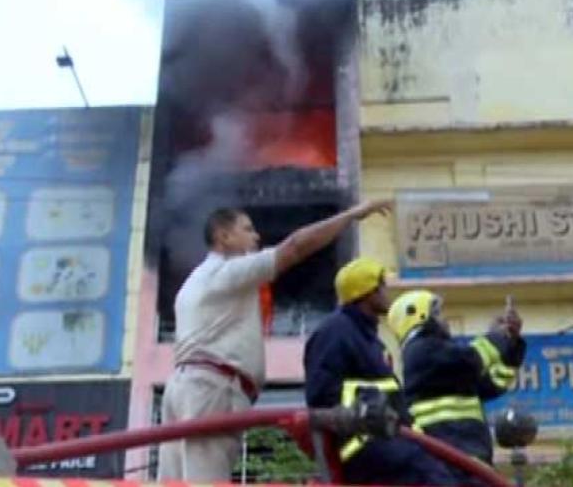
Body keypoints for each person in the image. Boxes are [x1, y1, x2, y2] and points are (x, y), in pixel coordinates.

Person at [158, 200, 391, 481]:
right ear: (224, 236)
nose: (256, 236)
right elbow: (293, 248)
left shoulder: (193, 283)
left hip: (186, 388)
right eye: (248, 229)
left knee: (173, 482)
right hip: (211, 390)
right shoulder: (227, 272)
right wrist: (353, 215)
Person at [304, 258, 455, 485]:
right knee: (431, 474)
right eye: (382, 285)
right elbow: (321, 395)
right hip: (363, 443)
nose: (387, 292)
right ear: (367, 292)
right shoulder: (335, 331)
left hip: (385, 438)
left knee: (443, 466)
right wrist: (365, 413)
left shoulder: (367, 336)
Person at [388, 290, 526, 483]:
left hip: (467, 459)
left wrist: (512, 344)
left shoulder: (444, 359)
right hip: (451, 460)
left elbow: (494, 383)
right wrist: (497, 336)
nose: (445, 320)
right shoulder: (420, 350)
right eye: (438, 314)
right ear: (420, 317)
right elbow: (471, 360)